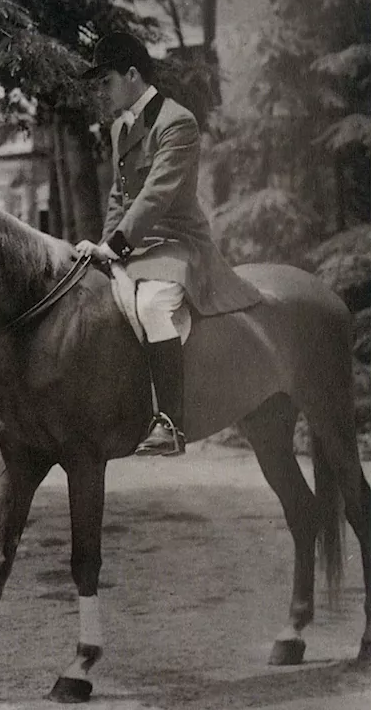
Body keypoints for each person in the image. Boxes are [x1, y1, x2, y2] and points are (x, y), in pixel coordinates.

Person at [77, 31, 261, 457]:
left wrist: (117, 246)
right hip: (137, 246)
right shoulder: (122, 128)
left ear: (133, 74)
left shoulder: (177, 121)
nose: (102, 93)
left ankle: (169, 423)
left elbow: (156, 195)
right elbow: (120, 198)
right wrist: (105, 249)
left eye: (106, 83)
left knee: (152, 305)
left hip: (178, 244)